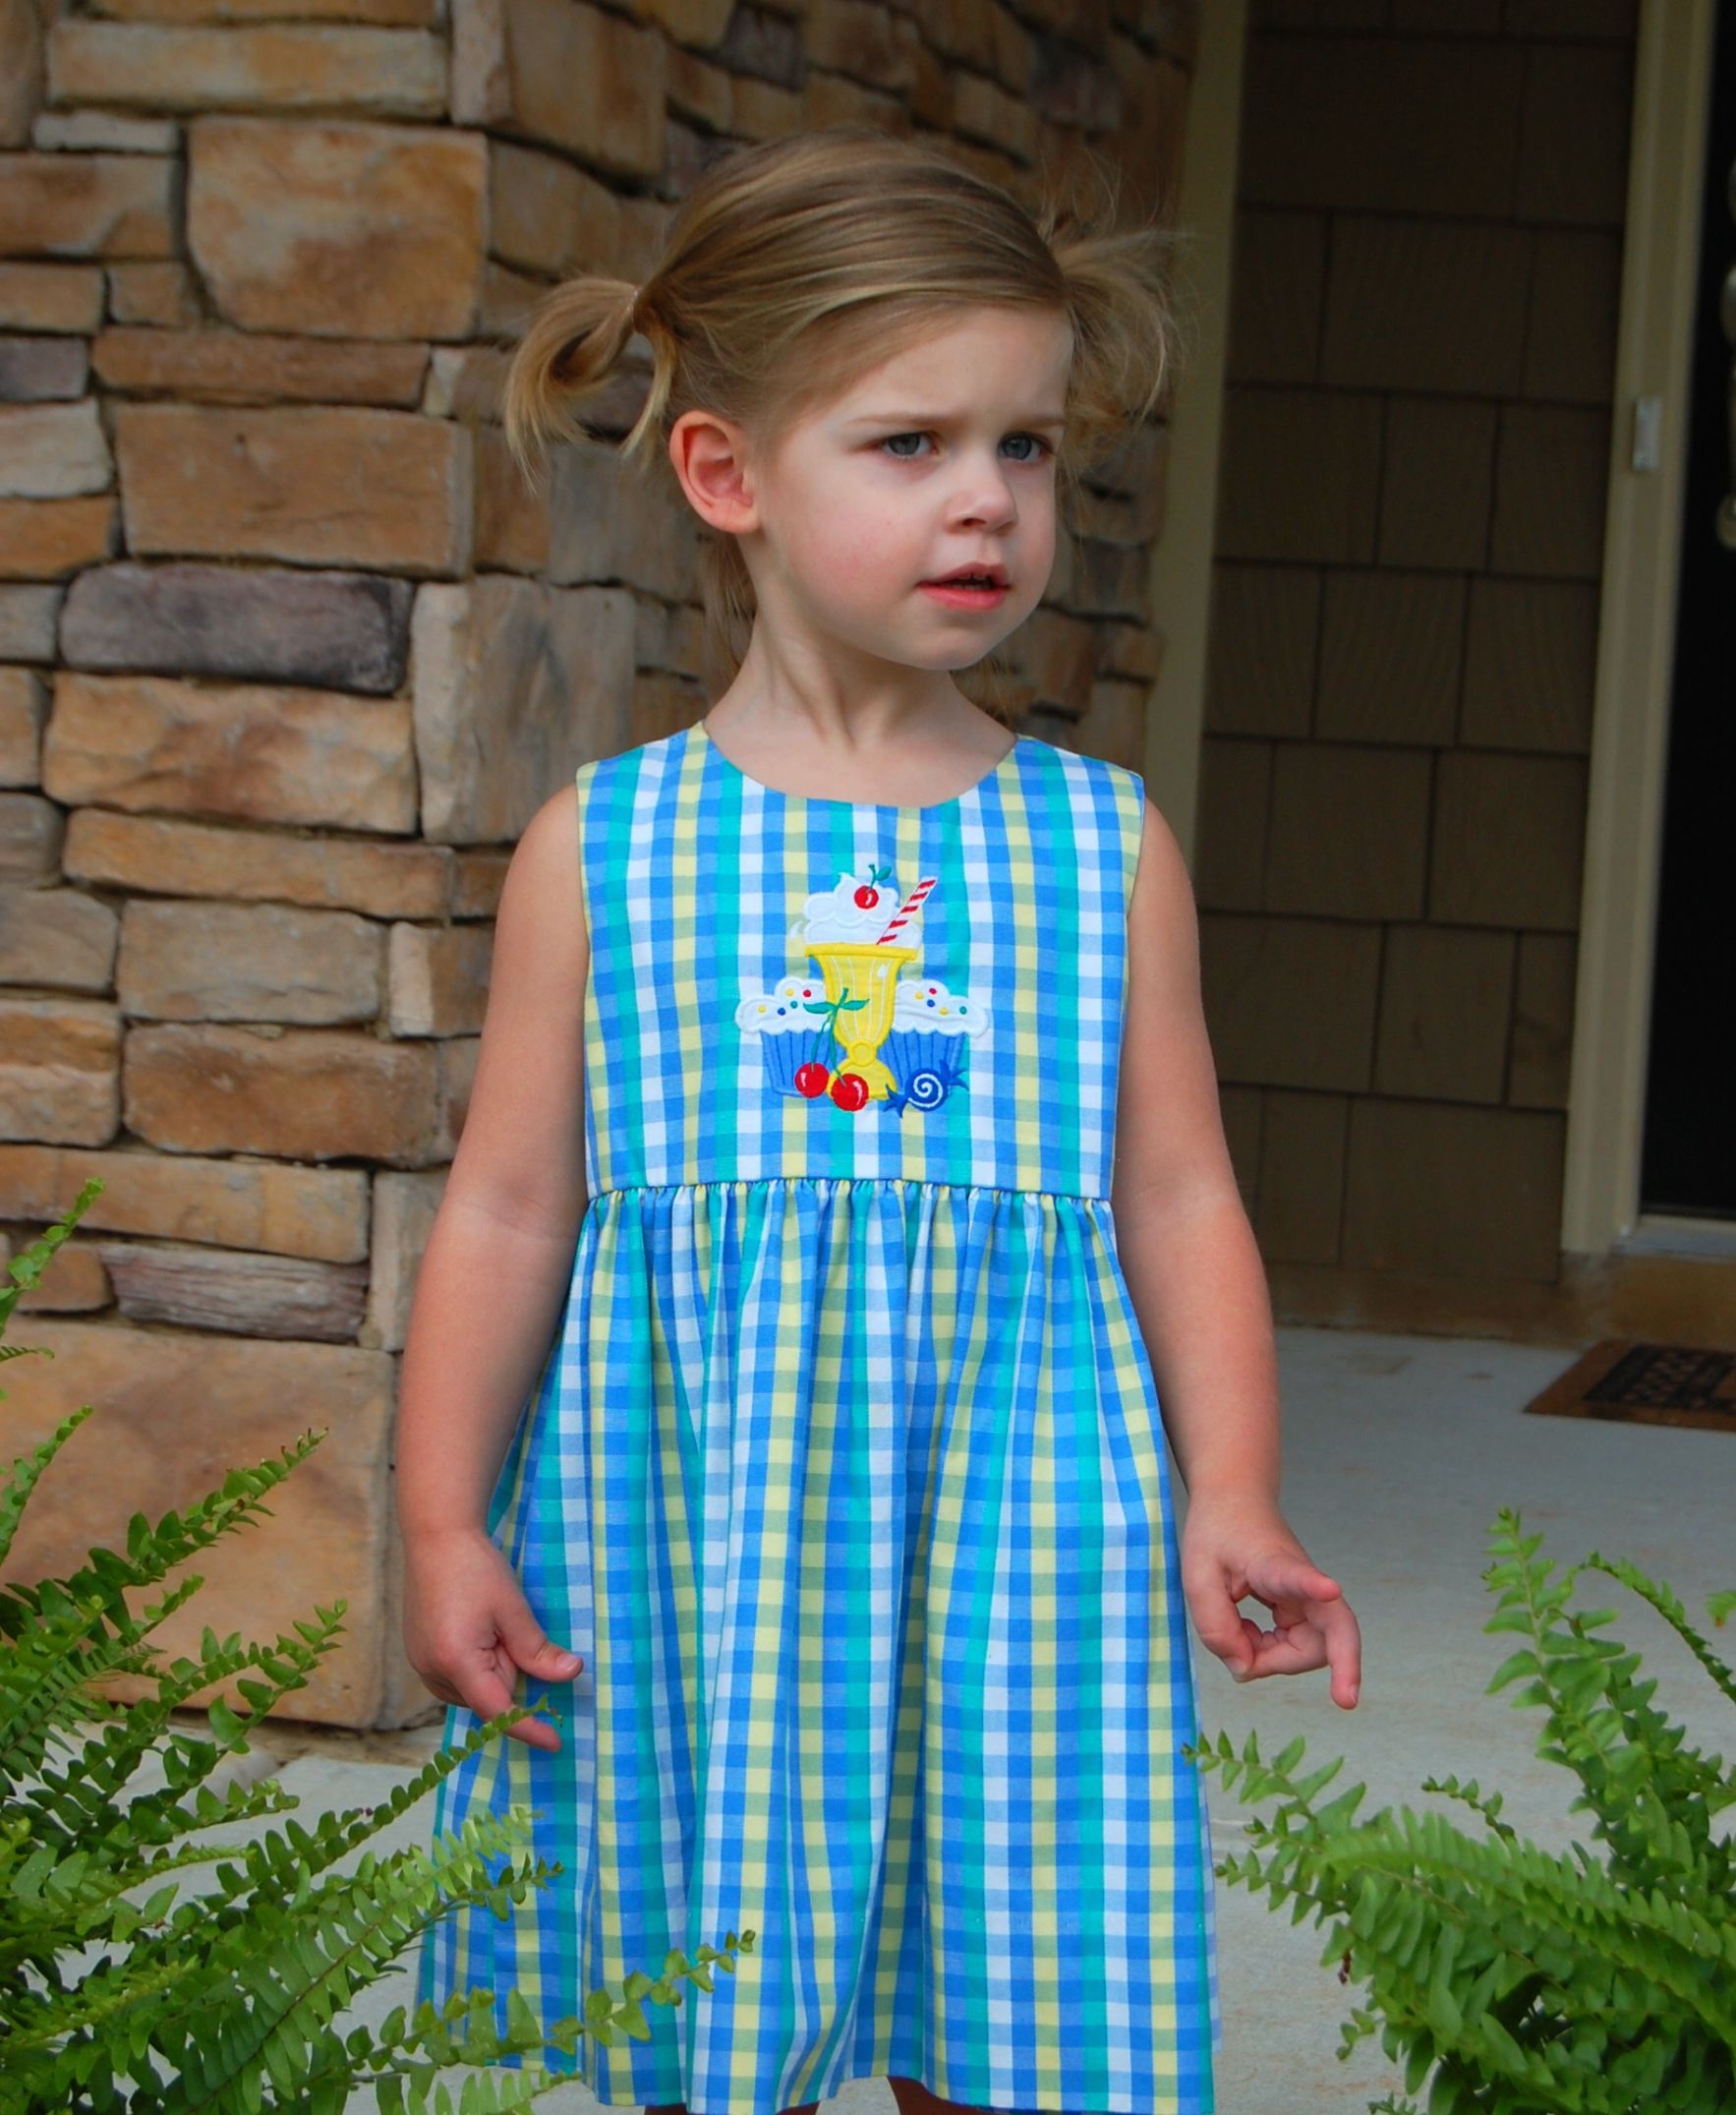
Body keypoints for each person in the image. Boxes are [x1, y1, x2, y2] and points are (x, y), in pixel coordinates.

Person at [396, 124, 1361, 2115]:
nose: (987, 499)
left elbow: (1178, 1194)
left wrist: (1234, 1486)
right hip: (693, 1537)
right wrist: (438, 1520)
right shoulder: (610, 847)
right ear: (726, 473)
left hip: (1018, 1533)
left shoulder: (1098, 848)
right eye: (910, 443)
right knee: (698, 2005)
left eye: (1025, 447)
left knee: (1005, 2010)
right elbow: (506, 1209)